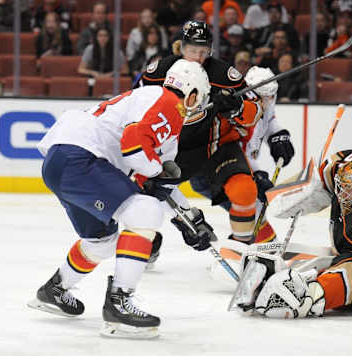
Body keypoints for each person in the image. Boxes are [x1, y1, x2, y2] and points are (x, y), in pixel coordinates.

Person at [27, 59, 213, 339]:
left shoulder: (154, 103)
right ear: (192, 93)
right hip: (82, 158)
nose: (198, 107)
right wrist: (157, 172)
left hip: (61, 161)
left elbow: (154, 179)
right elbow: (135, 147)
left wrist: (188, 218)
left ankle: (55, 290)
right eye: (200, 100)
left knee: (102, 240)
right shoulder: (169, 103)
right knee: (146, 212)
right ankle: (119, 304)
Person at [230, 150, 352, 318]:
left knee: (331, 287)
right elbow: (332, 164)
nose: (351, 199)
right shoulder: (350, 166)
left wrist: (313, 295)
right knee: (322, 266)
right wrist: (296, 191)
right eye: (347, 191)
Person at [134, 21, 264, 263]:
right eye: (193, 50)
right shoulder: (160, 71)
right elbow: (135, 104)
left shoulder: (224, 74)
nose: (198, 56)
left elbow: (256, 111)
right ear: (181, 48)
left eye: (204, 51)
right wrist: (186, 219)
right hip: (175, 150)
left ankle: (243, 254)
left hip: (216, 145)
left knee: (245, 191)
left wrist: (237, 107)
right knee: (141, 195)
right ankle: (146, 241)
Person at [188, 66, 295, 252]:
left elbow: (269, 120)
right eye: (262, 97)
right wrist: (258, 175)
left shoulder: (264, 101)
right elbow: (235, 150)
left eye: (271, 96)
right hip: (211, 172)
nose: (267, 102)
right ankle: (252, 251)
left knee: (253, 210)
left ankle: (247, 250)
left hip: (234, 169)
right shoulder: (235, 111)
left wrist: (278, 136)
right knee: (253, 208)